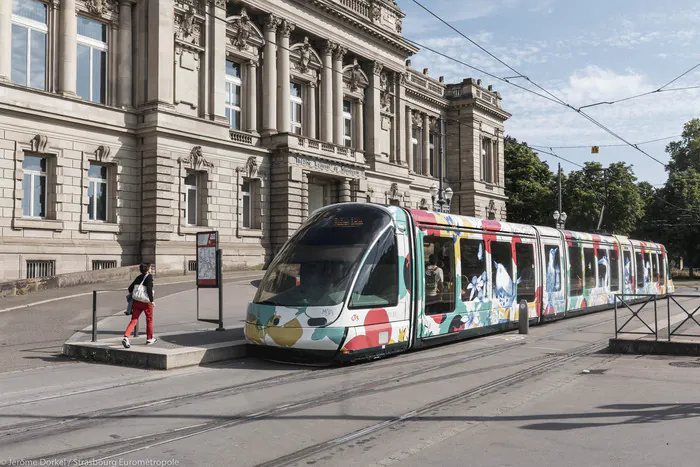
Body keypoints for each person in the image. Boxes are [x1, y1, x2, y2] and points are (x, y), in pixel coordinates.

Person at [122, 263, 156, 348]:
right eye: (150, 268)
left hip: (137, 301)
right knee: (149, 320)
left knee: (134, 320)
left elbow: (130, 288)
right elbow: (149, 290)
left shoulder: (138, 277)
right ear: (148, 269)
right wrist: (152, 301)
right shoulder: (149, 277)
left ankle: (126, 337)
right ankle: (149, 338)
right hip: (146, 302)